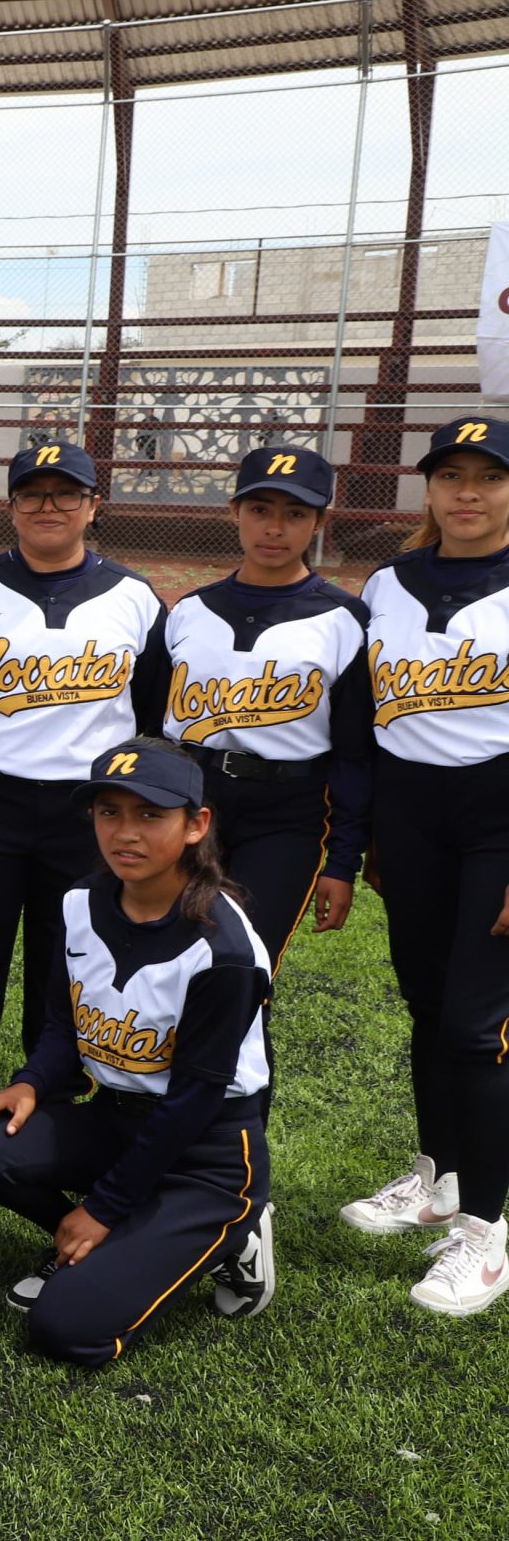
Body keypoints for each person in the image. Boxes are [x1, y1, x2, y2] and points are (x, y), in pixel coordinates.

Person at [0, 738, 277, 1366]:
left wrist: (101, 1209)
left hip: (205, 1153)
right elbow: (61, 1029)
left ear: (195, 825)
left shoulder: (225, 950)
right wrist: (31, 1083)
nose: (125, 832)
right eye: (109, 812)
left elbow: (193, 1101)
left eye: (150, 815)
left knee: (67, 1329)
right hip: (117, 1121)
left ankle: (230, 1234)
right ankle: (123, 1237)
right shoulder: (79, 903)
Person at [0, 442, 170, 1148]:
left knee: (72, 954)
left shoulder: (133, 597)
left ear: (94, 506)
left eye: (65, 494)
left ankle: (49, 1090)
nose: (48, 507)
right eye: (32, 494)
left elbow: (149, 706)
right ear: (12, 506)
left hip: (88, 809)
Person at [340, 415, 509, 1316]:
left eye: (488, 477)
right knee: (426, 1007)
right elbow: (369, 726)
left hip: (499, 819)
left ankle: (485, 1232)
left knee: (478, 1029)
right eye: (451, 476)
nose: (468, 493)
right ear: (430, 490)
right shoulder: (389, 585)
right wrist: (367, 838)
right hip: (413, 815)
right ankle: (438, 1178)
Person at [158, 444, 369, 966]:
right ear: (235, 511)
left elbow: (355, 753)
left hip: (287, 811)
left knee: (244, 962)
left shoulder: (345, 618)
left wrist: (342, 861)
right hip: (190, 800)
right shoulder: (191, 610)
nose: (274, 528)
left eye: (295, 513)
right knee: (169, 953)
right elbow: (150, 724)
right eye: (259, 510)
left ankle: (241, 1051)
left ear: (320, 522)